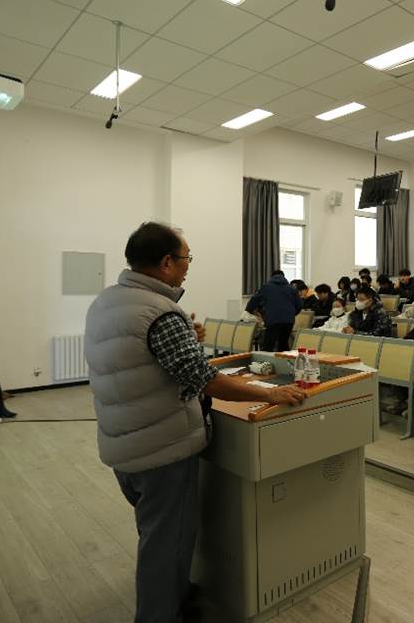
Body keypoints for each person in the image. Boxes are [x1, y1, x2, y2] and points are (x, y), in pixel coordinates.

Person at [85, 222, 306, 623]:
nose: (188, 266)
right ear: (166, 262)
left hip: (123, 441)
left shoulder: (108, 301)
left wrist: (186, 335)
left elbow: (138, 359)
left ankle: (178, 593)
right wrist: (269, 394)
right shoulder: (159, 312)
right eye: (186, 259)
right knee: (165, 542)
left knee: (156, 532)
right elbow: (203, 378)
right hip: (161, 448)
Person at [245, 270, 302, 352]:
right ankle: (284, 359)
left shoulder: (266, 287)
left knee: (268, 345)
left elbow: (254, 301)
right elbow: (299, 305)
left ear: (272, 277)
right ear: (284, 277)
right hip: (288, 321)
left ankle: (265, 360)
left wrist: (250, 310)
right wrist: (291, 314)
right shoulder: (292, 288)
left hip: (273, 319)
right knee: (283, 344)